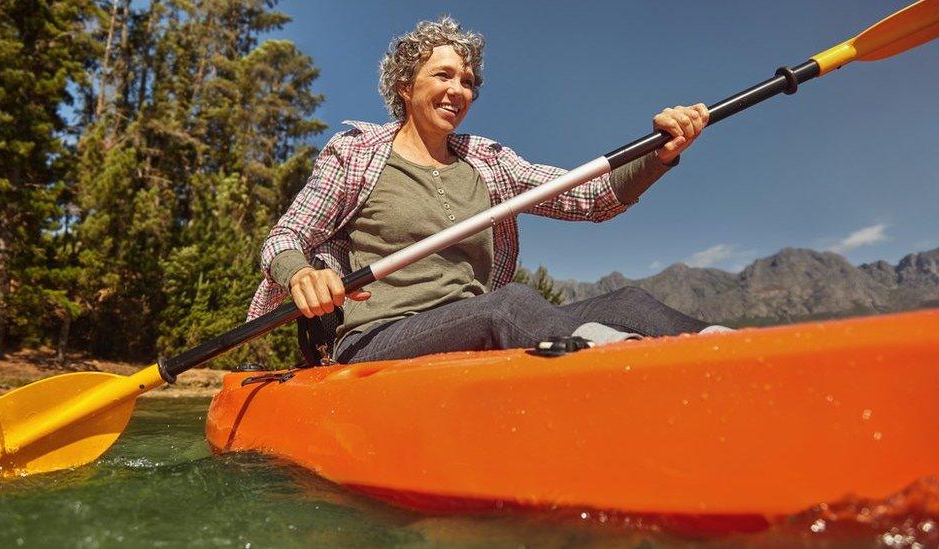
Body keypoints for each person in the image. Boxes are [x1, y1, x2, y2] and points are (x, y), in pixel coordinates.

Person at [248, 17, 724, 364]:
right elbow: (284, 239)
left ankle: (739, 350)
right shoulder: (354, 153)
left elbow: (592, 198)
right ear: (404, 85)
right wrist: (300, 276)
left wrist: (660, 153)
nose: (460, 90)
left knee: (628, 304)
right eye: (444, 75)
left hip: (477, 324)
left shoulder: (488, 161)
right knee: (508, 305)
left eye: (469, 82)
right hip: (378, 337)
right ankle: (614, 367)